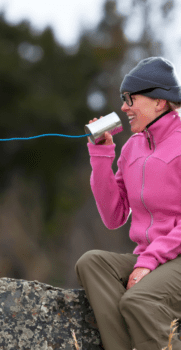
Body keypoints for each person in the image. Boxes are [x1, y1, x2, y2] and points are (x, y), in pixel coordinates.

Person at [75, 57, 181, 350]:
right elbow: (113, 215)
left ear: (159, 101)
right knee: (92, 263)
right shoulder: (132, 147)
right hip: (154, 258)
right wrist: (101, 157)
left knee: (140, 299)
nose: (123, 107)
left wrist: (148, 262)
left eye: (130, 99)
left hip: (174, 257)